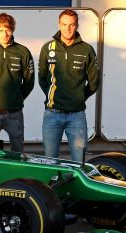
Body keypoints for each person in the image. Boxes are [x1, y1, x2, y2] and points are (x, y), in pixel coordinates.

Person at [38, 9, 99, 162]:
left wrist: (78, 97)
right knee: (50, 161)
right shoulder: (48, 48)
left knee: (79, 162)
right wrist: (53, 95)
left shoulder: (87, 50)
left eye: (72, 25)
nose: (68, 28)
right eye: (64, 24)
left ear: (77, 25)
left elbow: (94, 81)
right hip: (52, 114)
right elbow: (42, 78)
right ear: (59, 24)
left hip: (77, 116)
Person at [0, 13, 35, 152]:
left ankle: (17, 174)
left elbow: (29, 81)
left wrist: (16, 97)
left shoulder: (23, 52)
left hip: (15, 113)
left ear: (13, 30)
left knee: (17, 151)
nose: (5, 34)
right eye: (1, 30)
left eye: (8, 30)